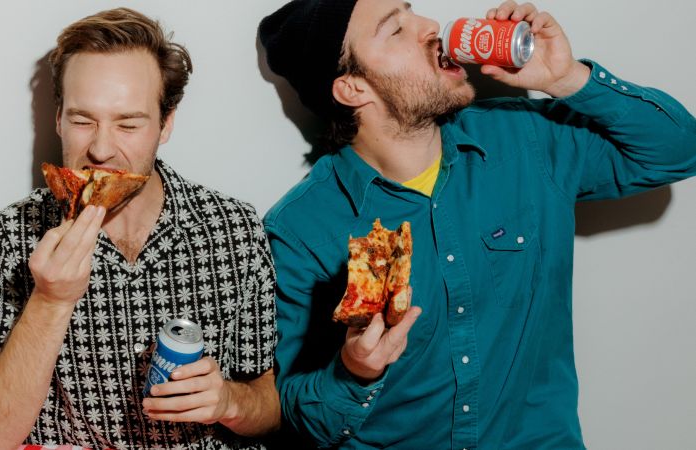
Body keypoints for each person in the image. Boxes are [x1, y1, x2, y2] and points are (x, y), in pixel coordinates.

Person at [258, 0, 696, 448]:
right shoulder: (300, 229)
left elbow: (678, 151)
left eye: (412, 11)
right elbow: (291, 412)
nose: (429, 26)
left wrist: (566, 79)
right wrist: (353, 372)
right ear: (352, 88)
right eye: (395, 29)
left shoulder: (524, 139)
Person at [0, 8, 278, 450]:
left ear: (166, 123)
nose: (101, 149)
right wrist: (50, 300)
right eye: (82, 120)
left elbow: (268, 407)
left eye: (128, 124)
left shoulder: (233, 229)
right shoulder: (11, 234)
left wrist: (228, 402)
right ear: (58, 119)